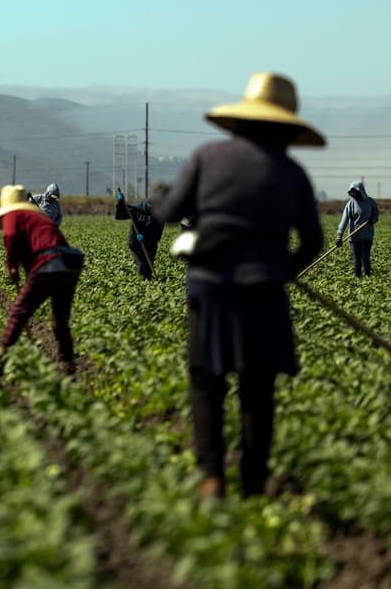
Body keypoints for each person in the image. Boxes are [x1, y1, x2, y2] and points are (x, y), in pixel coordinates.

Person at [153, 72, 324, 500]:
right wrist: (284, 269)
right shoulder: (291, 172)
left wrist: (158, 196)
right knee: (257, 385)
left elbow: (170, 211)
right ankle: (253, 479)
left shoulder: (207, 157)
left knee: (207, 379)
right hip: (263, 288)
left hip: (211, 285)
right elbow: (314, 242)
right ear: (285, 127)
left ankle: (211, 476)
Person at [0, 185, 84, 374]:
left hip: (50, 263)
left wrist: (12, 265)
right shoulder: (39, 217)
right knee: (59, 319)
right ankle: (67, 362)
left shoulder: (13, 216)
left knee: (19, 312)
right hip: (70, 263)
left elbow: (12, 237)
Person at [115, 190, 165, 279]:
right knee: (141, 265)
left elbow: (158, 233)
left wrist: (145, 238)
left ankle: (148, 286)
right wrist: (120, 202)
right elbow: (121, 214)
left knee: (148, 269)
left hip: (150, 244)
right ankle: (140, 283)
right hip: (135, 244)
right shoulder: (137, 209)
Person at [336, 180, 379, 277]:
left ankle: (368, 277)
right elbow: (344, 220)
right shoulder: (350, 204)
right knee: (357, 261)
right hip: (354, 238)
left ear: (361, 191)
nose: (354, 196)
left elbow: (376, 214)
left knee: (365, 258)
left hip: (367, 237)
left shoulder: (370, 202)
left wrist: (372, 220)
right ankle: (357, 279)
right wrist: (339, 236)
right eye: (352, 194)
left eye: (355, 194)